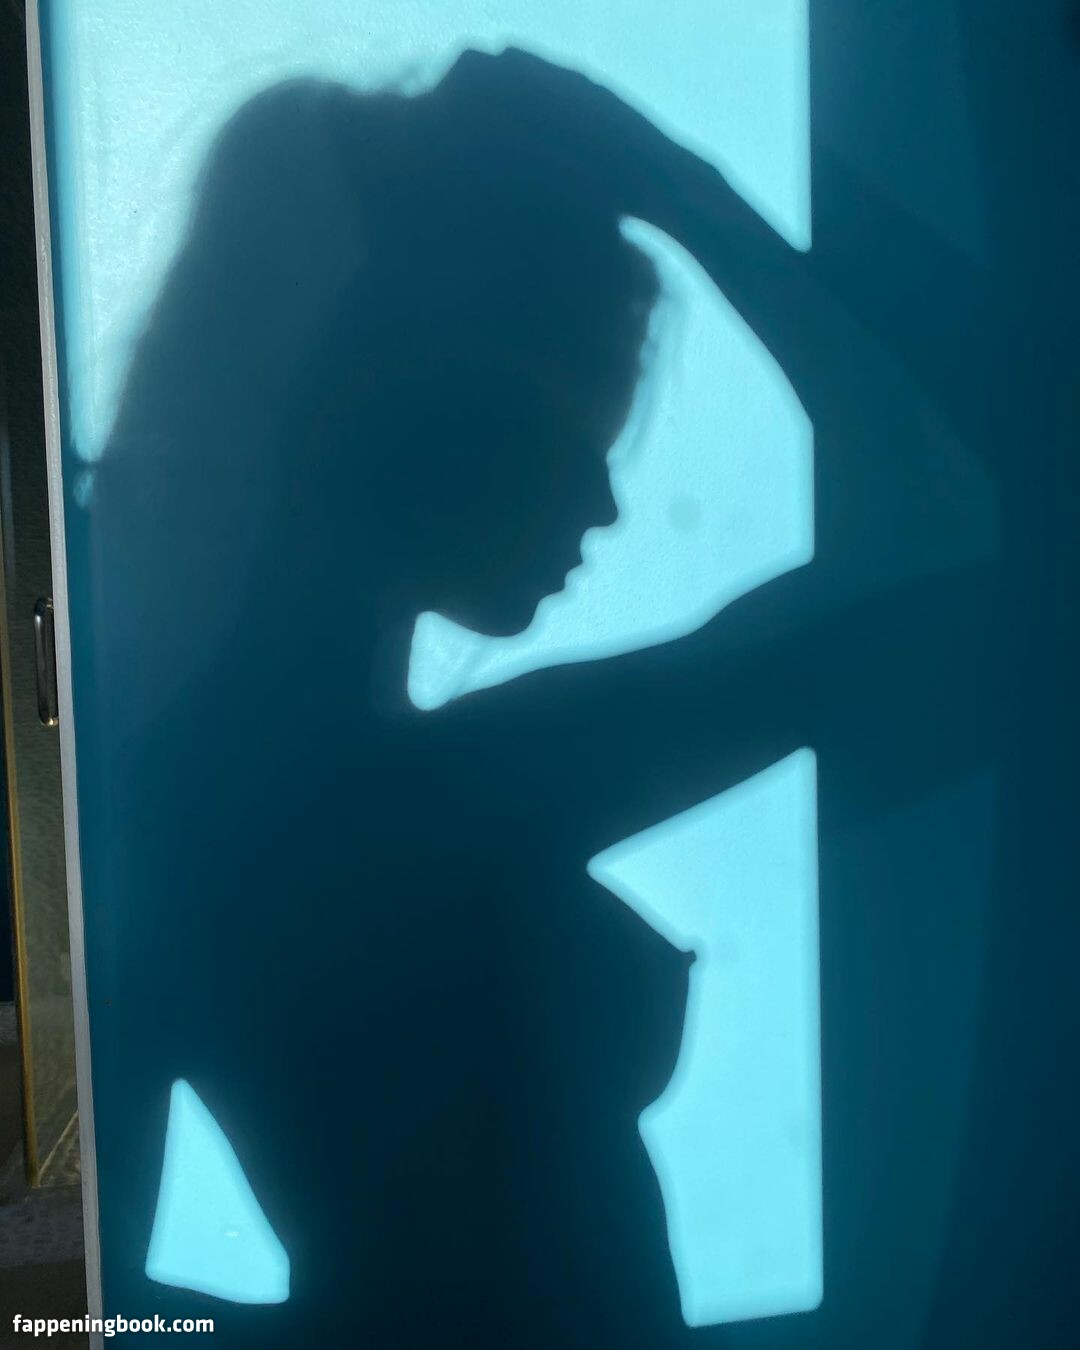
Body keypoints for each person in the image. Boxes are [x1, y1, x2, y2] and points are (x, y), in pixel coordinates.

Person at [74, 49, 998, 1348]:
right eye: (577, 422)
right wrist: (679, 188)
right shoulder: (427, 796)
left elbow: (74, 1298)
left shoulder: (218, 797)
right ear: (417, 392)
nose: (608, 501)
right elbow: (937, 531)